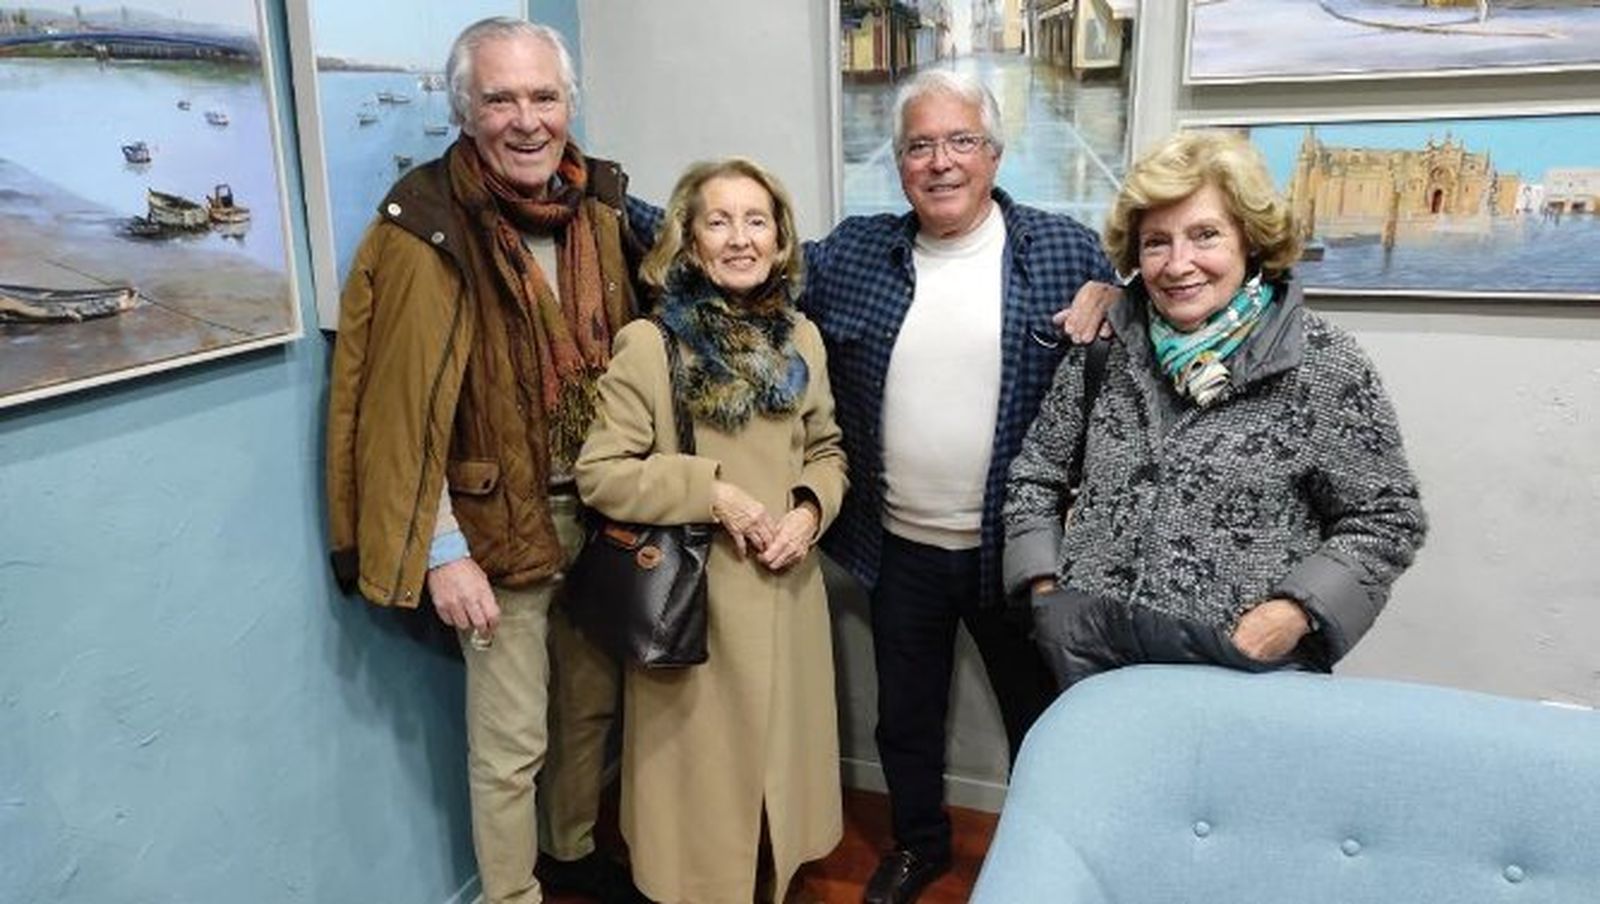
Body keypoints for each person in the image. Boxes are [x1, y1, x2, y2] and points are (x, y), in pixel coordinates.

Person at [325, 18, 647, 904]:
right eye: (500, 98)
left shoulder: (604, 209)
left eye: (543, 96)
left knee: (589, 711)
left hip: (603, 508)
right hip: (492, 527)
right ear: (464, 110)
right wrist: (440, 549)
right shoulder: (423, 225)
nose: (526, 119)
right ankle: (512, 894)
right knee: (510, 747)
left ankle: (575, 850)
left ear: (568, 103)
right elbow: (400, 413)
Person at [798, 69, 1116, 904]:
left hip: (1018, 552)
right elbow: (743, 253)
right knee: (903, 719)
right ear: (898, 162)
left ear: (995, 155)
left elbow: (1169, 297)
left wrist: (1124, 291)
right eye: (920, 145)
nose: (941, 162)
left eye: (960, 142)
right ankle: (918, 845)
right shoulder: (854, 252)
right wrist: (607, 193)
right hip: (898, 547)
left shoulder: (1065, 251)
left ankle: (1056, 856)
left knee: (1045, 719)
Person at [1003, 130, 1428, 691]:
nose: (1179, 264)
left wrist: (1294, 613)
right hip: (1091, 658)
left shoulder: (1322, 364)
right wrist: (1047, 596)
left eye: (1205, 235)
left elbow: (1388, 518)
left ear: (1249, 240)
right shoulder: (1107, 349)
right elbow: (1036, 473)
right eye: (1157, 242)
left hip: (1242, 669)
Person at [574, 158, 848, 904]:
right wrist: (712, 493)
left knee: (775, 780)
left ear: (780, 239)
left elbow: (826, 452)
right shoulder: (650, 342)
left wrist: (810, 511)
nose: (739, 239)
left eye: (755, 221)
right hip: (694, 605)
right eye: (718, 222)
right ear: (688, 242)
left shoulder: (804, 340)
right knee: (697, 803)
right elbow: (601, 473)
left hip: (787, 596)